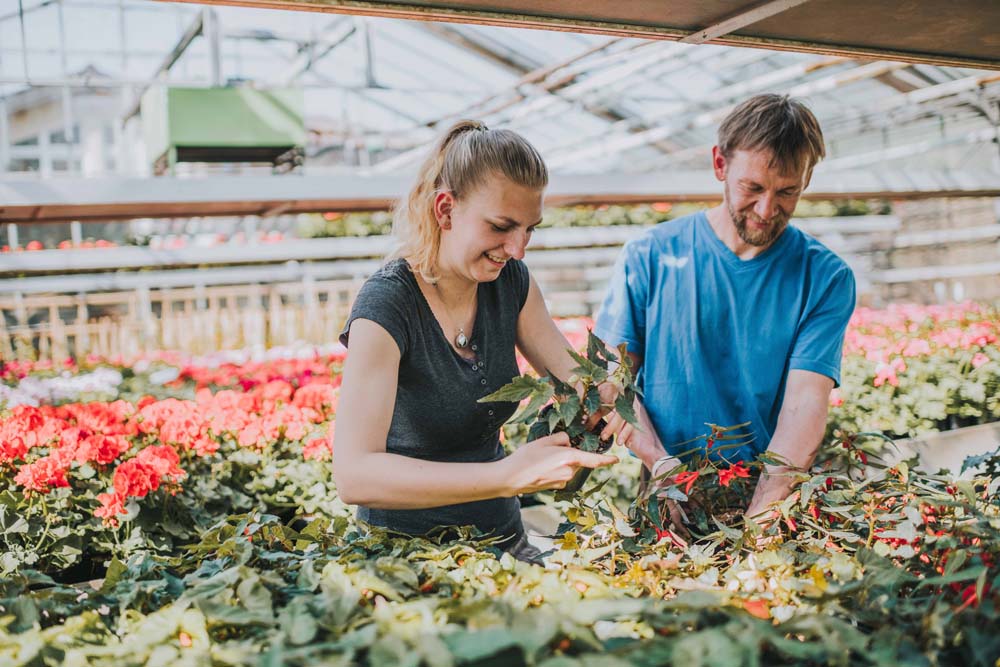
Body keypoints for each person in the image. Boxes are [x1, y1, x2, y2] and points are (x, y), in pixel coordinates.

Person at [333, 120, 618, 563]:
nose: (518, 248)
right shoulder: (388, 305)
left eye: (530, 229)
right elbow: (355, 476)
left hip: (503, 544)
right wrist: (506, 475)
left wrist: (605, 394)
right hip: (405, 559)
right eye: (502, 226)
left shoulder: (511, 285)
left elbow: (575, 377)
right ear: (445, 210)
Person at [595, 94, 856, 525]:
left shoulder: (825, 277)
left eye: (787, 191)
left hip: (771, 486)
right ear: (720, 165)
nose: (767, 210)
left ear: (806, 180)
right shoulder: (651, 256)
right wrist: (662, 467)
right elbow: (611, 381)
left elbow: (804, 406)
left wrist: (762, 515)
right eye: (752, 188)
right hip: (665, 484)